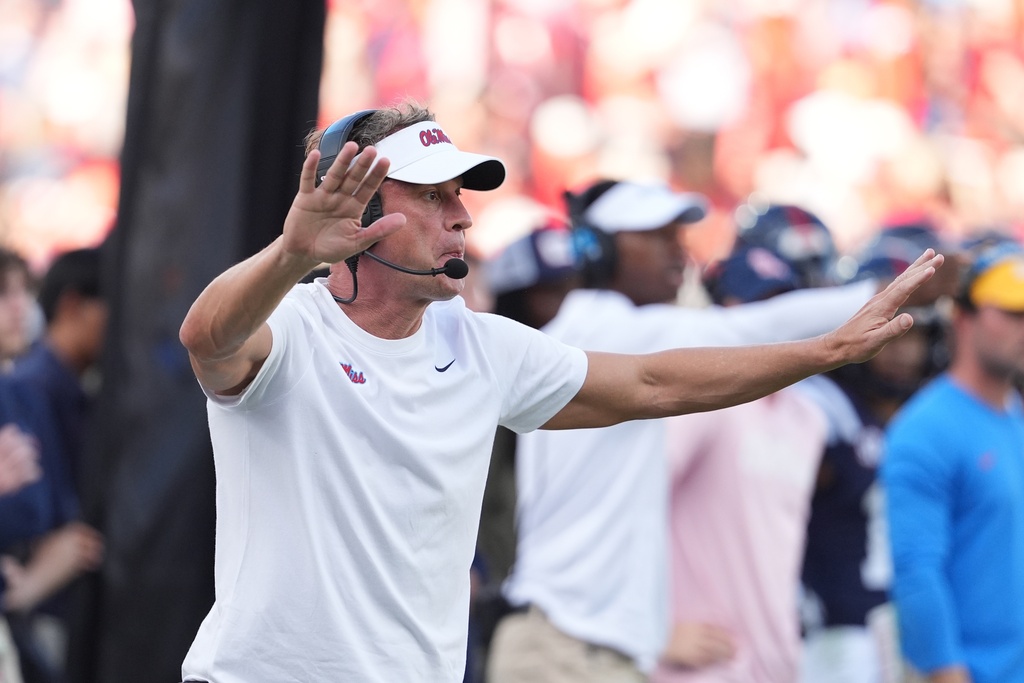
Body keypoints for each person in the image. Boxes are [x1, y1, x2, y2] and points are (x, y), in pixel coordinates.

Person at [176, 101, 941, 683]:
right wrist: (290, 252)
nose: (463, 215)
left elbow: (654, 381)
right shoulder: (294, 327)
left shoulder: (480, 347)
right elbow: (207, 339)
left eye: (460, 196)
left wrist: (827, 351)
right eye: (437, 196)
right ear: (360, 211)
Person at [488, 182, 938, 683]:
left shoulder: (608, 331)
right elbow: (747, 329)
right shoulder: (608, 326)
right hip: (567, 647)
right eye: (656, 236)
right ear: (599, 249)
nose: (678, 251)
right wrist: (870, 301)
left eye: (678, 235)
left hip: (588, 644)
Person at [652, 244, 828, 683]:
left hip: (778, 665)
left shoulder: (808, 418)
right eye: (756, 305)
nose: (772, 320)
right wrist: (652, 629)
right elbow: (625, 502)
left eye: (781, 304)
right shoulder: (702, 401)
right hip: (698, 668)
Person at [797, 223, 951, 683]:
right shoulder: (822, 410)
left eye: (914, 335)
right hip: (828, 629)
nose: (901, 351)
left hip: (896, 625)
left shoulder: (922, 417)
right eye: (889, 331)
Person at [882, 241, 1024, 683]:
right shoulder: (927, 428)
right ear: (962, 318)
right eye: (1012, 314)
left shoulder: (1014, 413)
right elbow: (917, 572)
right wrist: (947, 672)